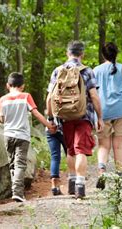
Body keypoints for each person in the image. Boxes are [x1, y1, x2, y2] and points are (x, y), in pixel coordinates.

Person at [47, 41, 104, 199]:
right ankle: (80, 185)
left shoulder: (57, 71)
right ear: (82, 54)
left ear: (68, 53)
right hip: (83, 116)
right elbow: (94, 96)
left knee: (71, 149)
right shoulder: (87, 71)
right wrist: (100, 117)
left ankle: (71, 182)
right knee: (81, 151)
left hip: (64, 117)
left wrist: (51, 118)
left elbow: (50, 97)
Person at [0, 72, 56, 202]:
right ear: (23, 86)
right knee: (20, 164)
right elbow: (36, 113)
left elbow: (2, 119)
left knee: (12, 163)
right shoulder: (26, 96)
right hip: (22, 135)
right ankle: (18, 192)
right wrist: (49, 125)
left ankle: (15, 190)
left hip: (8, 135)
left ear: (8, 85)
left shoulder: (3, 99)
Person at [93, 42, 122, 190]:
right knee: (118, 146)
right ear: (116, 54)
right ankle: (120, 177)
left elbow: (92, 94)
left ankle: (101, 173)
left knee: (103, 146)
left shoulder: (95, 70)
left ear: (103, 55)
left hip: (103, 111)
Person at [45, 115, 67, 196]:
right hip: (65, 126)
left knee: (55, 156)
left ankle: (54, 186)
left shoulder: (50, 101)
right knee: (70, 154)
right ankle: (74, 182)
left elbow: (48, 102)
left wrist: (50, 120)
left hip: (50, 126)